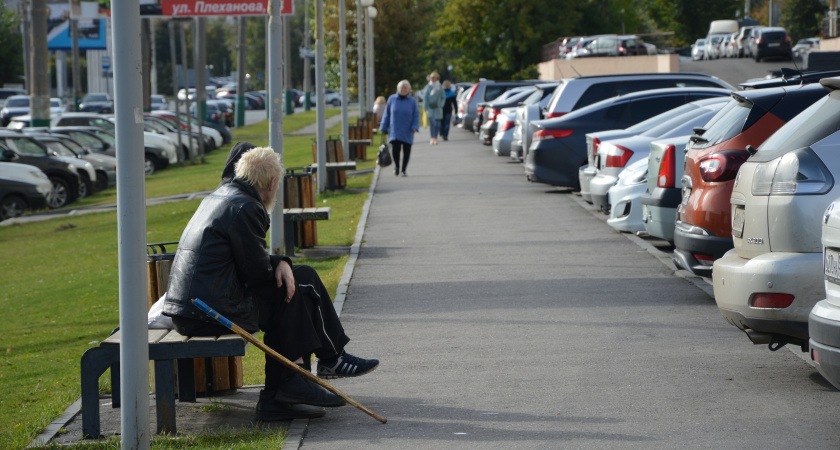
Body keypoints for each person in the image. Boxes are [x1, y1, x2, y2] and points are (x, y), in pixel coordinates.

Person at [164, 143, 379, 421]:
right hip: (206, 311)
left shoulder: (224, 196)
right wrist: (280, 266)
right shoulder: (247, 207)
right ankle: (297, 380)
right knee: (287, 292)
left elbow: (251, 263)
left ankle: (296, 383)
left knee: (301, 278)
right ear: (273, 182)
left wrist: (282, 263)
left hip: (195, 305)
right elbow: (256, 275)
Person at [379, 80, 419, 177]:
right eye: (402, 87)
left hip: (408, 130)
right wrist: (384, 126)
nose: (403, 89)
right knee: (395, 150)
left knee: (407, 150)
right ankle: (397, 166)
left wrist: (415, 126)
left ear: (409, 90)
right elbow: (386, 114)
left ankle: (403, 170)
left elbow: (416, 115)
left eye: (405, 88)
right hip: (395, 129)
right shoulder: (392, 99)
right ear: (398, 89)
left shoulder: (412, 101)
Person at [422, 72, 445, 145]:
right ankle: (432, 138)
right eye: (431, 77)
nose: (432, 78)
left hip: (438, 108)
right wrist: (425, 107)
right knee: (432, 123)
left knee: (438, 124)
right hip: (430, 108)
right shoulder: (428, 87)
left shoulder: (440, 86)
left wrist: (441, 105)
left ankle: (435, 137)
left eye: (433, 77)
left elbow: (443, 97)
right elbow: (425, 97)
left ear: (437, 78)